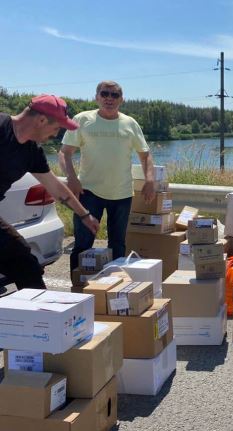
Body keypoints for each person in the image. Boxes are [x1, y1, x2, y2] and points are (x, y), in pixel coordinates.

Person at [1, 95, 99, 289]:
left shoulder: (32, 152)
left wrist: (84, 215)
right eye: (56, 128)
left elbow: (55, 186)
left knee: (25, 262)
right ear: (42, 120)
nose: (55, 135)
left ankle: (42, 315)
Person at [59, 81, 156, 271]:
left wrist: (150, 180)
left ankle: (113, 290)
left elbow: (145, 155)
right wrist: (71, 179)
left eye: (115, 95)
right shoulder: (82, 120)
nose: (109, 99)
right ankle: (77, 292)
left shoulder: (130, 123)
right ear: (96, 97)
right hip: (88, 192)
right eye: (104, 94)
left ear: (122, 99)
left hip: (121, 194)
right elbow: (64, 153)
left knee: (118, 245)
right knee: (82, 245)